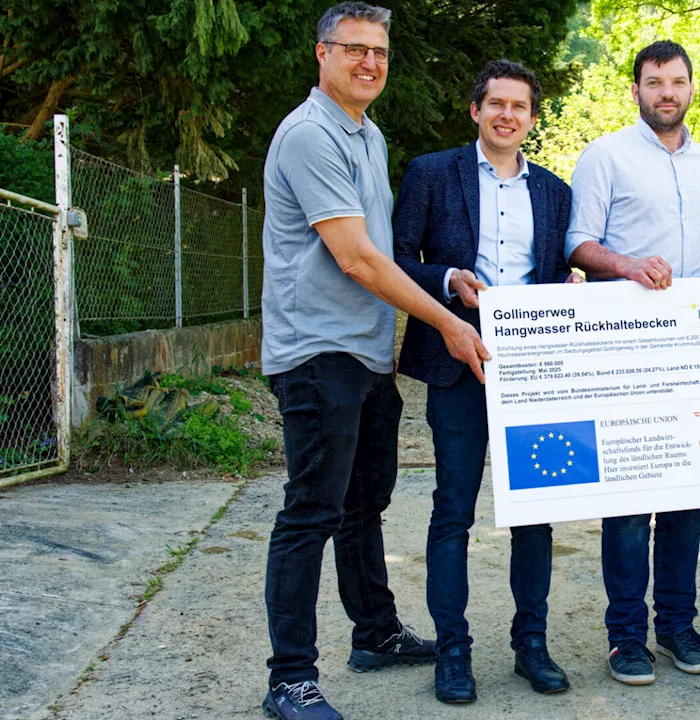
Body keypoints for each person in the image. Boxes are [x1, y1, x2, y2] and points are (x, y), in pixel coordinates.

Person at [259, 4, 489, 720]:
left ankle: (375, 632)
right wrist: (448, 322)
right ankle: (290, 678)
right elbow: (356, 258)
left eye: (380, 52)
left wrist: (444, 278)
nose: (369, 63)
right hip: (315, 350)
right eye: (354, 49)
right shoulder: (308, 135)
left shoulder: (365, 132)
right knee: (312, 510)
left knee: (366, 502)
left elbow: (384, 254)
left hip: (364, 353)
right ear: (321, 54)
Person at [392, 60, 582, 704]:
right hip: (455, 359)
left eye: (519, 106)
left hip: (536, 371)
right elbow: (395, 260)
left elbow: (554, 274)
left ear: (532, 117)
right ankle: (453, 651)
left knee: (536, 512)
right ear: (475, 111)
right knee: (454, 509)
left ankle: (531, 643)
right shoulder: (430, 173)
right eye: (495, 103)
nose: (507, 115)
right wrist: (448, 282)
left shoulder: (555, 192)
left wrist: (571, 293)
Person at [565, 39, 700, 685]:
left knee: (690, 497)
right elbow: (577, 243)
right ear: (635, 90)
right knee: (632, 500)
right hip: (627, 352)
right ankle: (625, 637)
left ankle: (678, 626)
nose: (667, 92)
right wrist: (628, 264)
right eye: (654, 82)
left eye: (677, 82)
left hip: (692, 352)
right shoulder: (606, 155)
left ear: (692, 89)